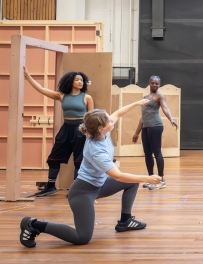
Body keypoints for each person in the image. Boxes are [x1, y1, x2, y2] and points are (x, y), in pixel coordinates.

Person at [19, 99, 162, 248]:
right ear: (100, 128)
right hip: (83, 192)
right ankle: (33, 225)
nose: (112, 120)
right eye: (108, 120)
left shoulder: (100, 132)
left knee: (132, 182)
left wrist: (136, 103)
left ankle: (125, 221)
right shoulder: (97, 152)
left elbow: (118, 113)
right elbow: (117, 176)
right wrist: (147, 178)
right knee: (82, 237)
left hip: (99, 184)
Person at [23, 66, 94, 197]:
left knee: (79, 160)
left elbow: (91, 117)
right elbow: (41, 89)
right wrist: (27, 76)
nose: (80, 82)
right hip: (66, 128)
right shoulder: (62, 95)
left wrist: (89, 132)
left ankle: (75, 189)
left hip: (81, 129)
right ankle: (50, 186)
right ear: (70, 81)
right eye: (77, 79)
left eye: (82, 80)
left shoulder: (87, 97)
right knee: (54, 158)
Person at [132, 76, 178, 190]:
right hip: (146, 128)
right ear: (149, 83)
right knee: (147, 154)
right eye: (152, 83)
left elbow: (165, 108)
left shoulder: (160, 96)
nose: (154, 85)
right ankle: (151, 179)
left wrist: (171, 119)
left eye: (156, 83)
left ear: (159, 85)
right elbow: (143, 117)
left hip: (156, 126)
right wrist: (136, 133)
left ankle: (161, 180)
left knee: (157, 152)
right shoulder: (145, 98)